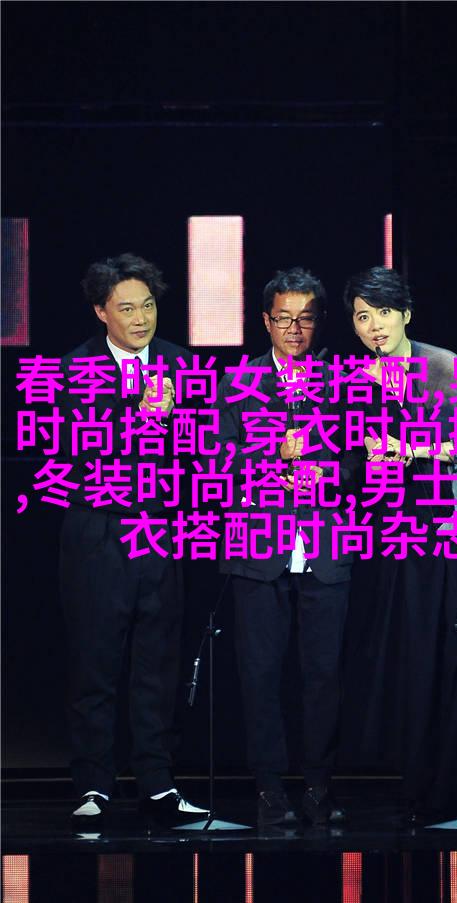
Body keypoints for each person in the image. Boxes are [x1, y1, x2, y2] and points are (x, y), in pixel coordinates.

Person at [341, 266, 457, 824]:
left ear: (407, 314)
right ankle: (422, 789)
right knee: (416, 657)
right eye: (363, 316)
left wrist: (413, 450)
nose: (375, 326)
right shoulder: (355, 380)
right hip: (400, 532)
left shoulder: (446, 367)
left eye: (384, 313)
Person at [59, 253, 207, 830]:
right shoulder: (74, 368)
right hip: (99, 533)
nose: (140, 318)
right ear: (101, 312)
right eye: (126, 308)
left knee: (158, 664)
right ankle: (92, 784)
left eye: (147, 305)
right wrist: (142, 417)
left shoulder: (179, 362)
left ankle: (158, 783)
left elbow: (200, 449)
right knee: (95, 663)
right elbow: (81, 455)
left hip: (160, 531)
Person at [216, 267, 354, 826]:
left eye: (306, 318)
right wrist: (273, 458)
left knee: (324, 675)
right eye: (284, 319)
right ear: (266, 321)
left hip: (325, 547)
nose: (295, 329)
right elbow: (218, 463)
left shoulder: (345, 382)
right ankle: (269, 790)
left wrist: (327, 474)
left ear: (320, 322)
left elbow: (364, 459)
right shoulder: (237, 383)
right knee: (260, 674)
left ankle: (320, 786)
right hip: (257, 549)